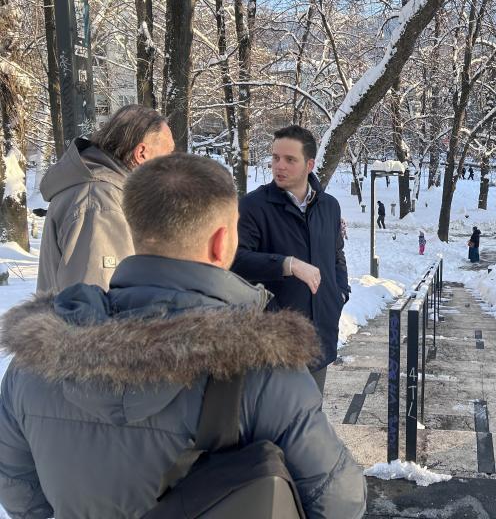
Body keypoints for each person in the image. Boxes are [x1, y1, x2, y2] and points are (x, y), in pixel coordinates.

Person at [0, 153, 366, 519]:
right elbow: (340, 502)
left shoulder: (35, 360)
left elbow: (18, 492)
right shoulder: (266, 372)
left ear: (133, 229)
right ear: (221, 242)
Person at [232, 125, 350, 394]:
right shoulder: (252, 206)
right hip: (273, 342)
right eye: (275, 158)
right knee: (274, 419)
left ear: (309, 164)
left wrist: (340, 293)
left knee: (312, 414)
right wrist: (287, 264)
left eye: (289, 159)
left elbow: (336, 256)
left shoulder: (329, 206)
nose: (279, 166)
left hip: (320, 336)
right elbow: (235, 260)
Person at [36, 105, 174, 294]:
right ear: (142, 153)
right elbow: (96, 302)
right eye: (168, 154)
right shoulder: (100, 203)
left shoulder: (101, 192)